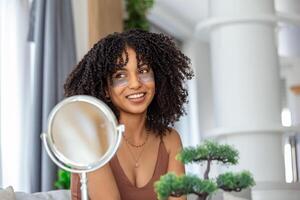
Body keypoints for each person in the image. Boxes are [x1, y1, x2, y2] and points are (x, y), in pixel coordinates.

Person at [64, 29, 194, 200]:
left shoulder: (170, 140)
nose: (135, 84)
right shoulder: (92, 141)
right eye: (120, 75)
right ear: (106, 89)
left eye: (143, 71)